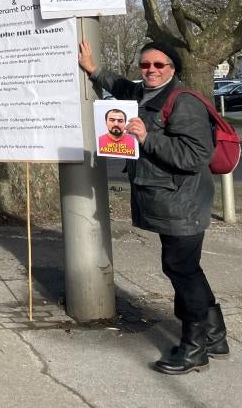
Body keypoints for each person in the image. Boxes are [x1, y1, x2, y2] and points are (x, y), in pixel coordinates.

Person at [79, 40, 224, 374]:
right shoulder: (142, 93)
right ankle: (215, 334)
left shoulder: (183, 101)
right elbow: (119, 85)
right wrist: (93, 69)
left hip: (183, 203)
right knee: (185, 268)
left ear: (173, 69)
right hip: (168, 200)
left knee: (181, 270)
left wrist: (147, 138)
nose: (151, 70)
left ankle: (194, 346)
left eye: (159, 65)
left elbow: (194, 156)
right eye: (146, 65)